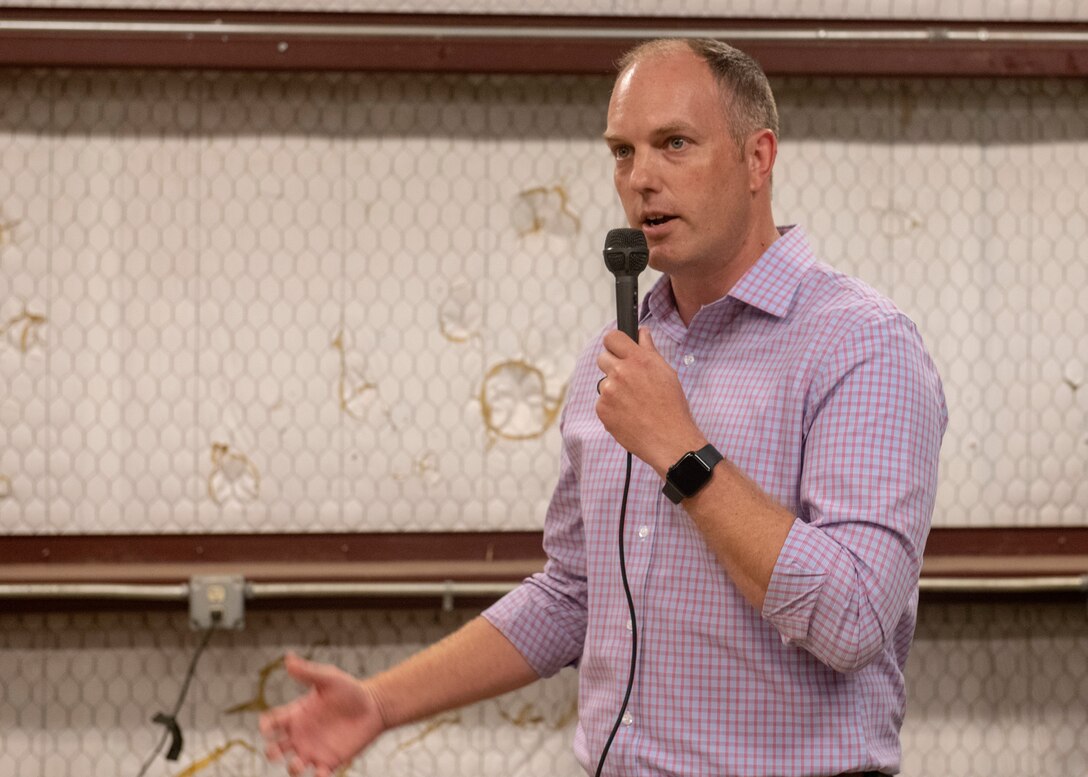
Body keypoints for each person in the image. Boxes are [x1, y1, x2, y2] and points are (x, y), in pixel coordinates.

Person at [259, 38, 947, 777]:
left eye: (674, 144)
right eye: (622, 152)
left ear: (758, 158)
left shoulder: (861, 345)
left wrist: (684, 453)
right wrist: (381, 701)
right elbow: (573, 592)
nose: (641, 178)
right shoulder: (618, 356)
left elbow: (854, 618)